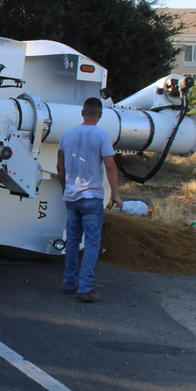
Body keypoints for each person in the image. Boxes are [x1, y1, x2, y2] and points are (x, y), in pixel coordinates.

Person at [56, 97, 123, 303]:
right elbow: (110, 166)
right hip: (92, 196)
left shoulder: (67, 134)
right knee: (92, 242)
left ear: (82, 113)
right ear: (100, 116)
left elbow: (60, 166)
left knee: (73, 241)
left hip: (72, 196)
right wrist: (116, 194)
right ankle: (85, 287)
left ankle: (69, 283)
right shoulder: (102, 136)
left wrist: (65, 188)